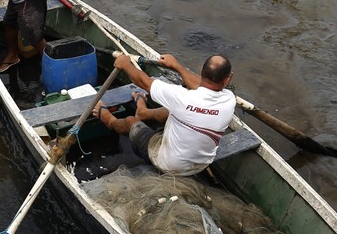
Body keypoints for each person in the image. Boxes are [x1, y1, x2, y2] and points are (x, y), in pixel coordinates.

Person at [93, 51, 236, 176]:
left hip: (166, 163)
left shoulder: (182, 98)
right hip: (200, 165)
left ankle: (108, 119)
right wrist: (176, 66)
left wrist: (125, 64)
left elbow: (144, 82)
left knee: (131, 121)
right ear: (228, 79)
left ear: (201, 71)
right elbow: (202, 86)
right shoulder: (229, 100)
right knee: (175, 111)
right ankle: (143, 112)